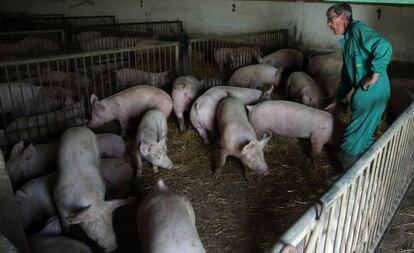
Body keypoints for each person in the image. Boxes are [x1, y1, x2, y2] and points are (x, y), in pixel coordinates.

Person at [324, 3, 392, 170]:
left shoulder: (357, 28)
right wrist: (338, 99)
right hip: (367, 95)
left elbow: (384, 46)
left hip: (372, 94)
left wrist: (374, 76)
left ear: (343, 17)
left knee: (351, 141)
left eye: (330, 19)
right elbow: (347, 76)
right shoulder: (348, 41)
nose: (328, 24)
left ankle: (347, 182)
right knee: (364, 137)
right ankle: (368, 172)